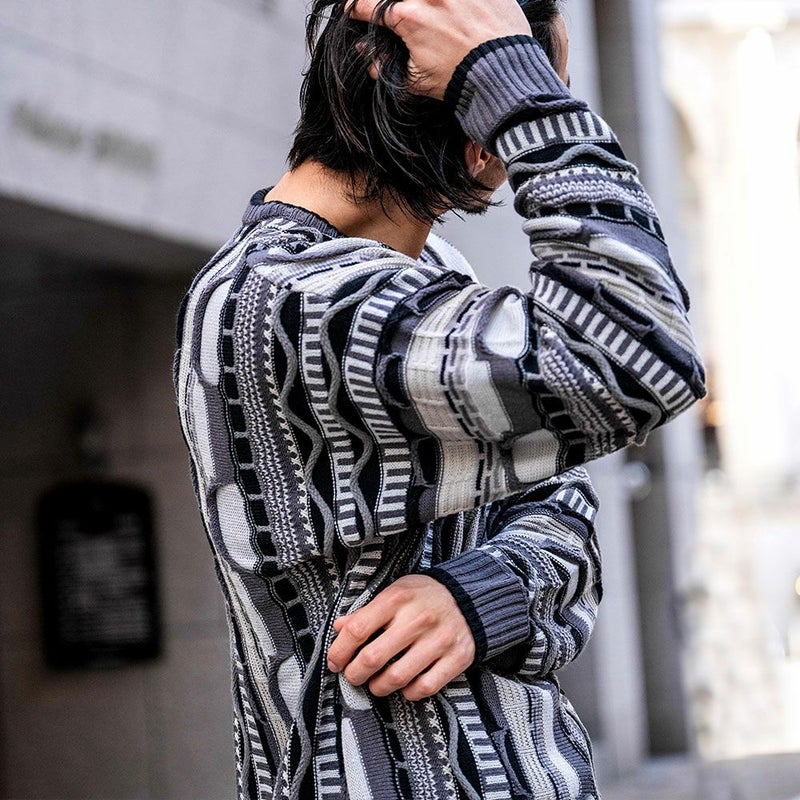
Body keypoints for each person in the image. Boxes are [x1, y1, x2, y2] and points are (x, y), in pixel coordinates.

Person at [173, 0, 706, 797]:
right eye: (532, 90)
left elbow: (566, 511)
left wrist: (484, 594)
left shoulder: (425, 277)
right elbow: (638, 352)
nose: (528, 126)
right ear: (482, 128)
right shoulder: (286, 301)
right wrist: (521, 92)